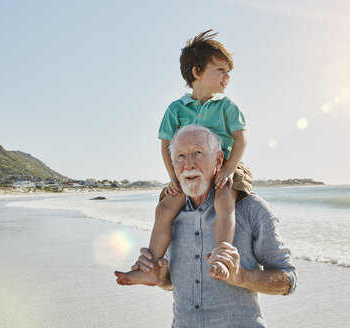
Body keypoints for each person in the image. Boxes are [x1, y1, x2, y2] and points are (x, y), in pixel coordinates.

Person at [115, 125, 296, 327]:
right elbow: (171, 284)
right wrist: (161, 278)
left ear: (219, 160)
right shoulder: (169, 214)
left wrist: (242, 276)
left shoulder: (252, 208)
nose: (188, 164)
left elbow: (288, 280)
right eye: (180, 156)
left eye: (198, 153)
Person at [120, 29, 250, 282]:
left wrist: (230, 170)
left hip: (226, 165)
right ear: (197, 72)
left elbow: (240, 139)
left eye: (229, 72)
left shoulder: (227, 106)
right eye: (220, 70)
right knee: (164, 208)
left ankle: (223, 256)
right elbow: (166, 146)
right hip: (190, 170)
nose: (227, 76)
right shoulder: (176, 109)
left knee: (224, 200)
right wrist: (173, 178)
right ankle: (149, 268)